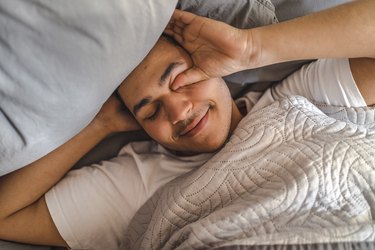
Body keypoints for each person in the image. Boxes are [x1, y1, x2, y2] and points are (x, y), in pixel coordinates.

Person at [0, 0, 374, 249]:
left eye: (182, 80)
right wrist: (99, 126)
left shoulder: (297, 97)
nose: (177, 112)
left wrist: (251, 49)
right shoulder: (139, 181)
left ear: (214, 67)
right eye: (149, 112)